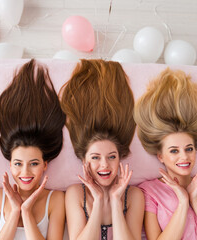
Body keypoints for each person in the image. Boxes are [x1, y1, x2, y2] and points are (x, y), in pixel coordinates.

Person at [134, 68, 197, 240]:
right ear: (160, 156)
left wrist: (195, 201)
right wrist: (183, 202)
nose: (184, 157)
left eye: (189, 149)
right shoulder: (150, 191)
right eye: (174, 151)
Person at [60, 59, 144, 240]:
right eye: (96, 157)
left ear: (120, 159)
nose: (104, 165)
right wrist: (97, 201)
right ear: (84, 161)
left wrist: (115, 201)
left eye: (111, 157)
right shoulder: (76, 194)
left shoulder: (134, 196)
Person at [0, 59, 66, 240]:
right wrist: (14, 212)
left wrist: (26, 213)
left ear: (45, 165)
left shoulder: (56, 199)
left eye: (34, 163)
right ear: (10, 165)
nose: (25, 172)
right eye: (18, 163)